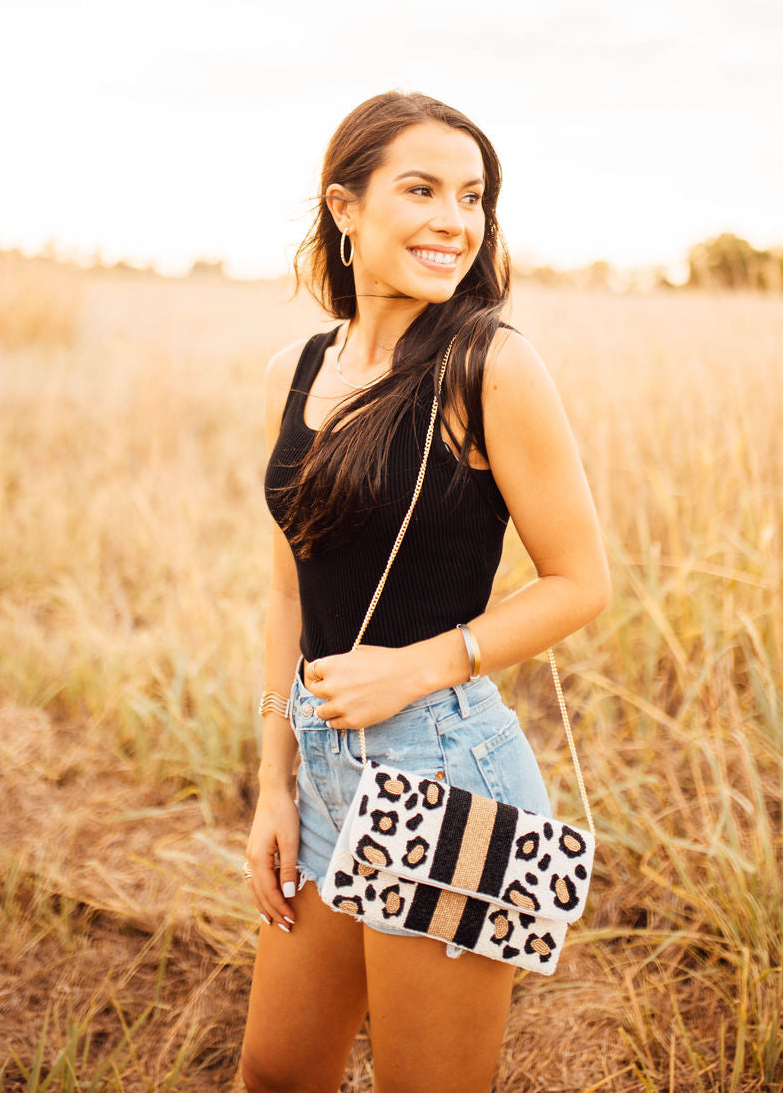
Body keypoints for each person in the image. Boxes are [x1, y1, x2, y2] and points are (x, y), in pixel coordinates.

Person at [239, 91, 610, 1093]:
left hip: (441, 767)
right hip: (318, 766)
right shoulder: (299, 366)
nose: (453, 219)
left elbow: (580, 580)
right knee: (276, 1073)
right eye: (422, 189)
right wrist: (274, 782)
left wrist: (418, 666)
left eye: (472, 196)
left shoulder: (489, 363)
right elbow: (289, 593)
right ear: (346, 206)